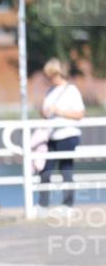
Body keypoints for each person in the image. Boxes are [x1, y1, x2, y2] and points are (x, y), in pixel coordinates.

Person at [38, 58, 85, 209]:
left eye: (51, 76)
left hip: (67, 135)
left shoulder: (71, 90)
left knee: (66, 169)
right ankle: (43, 204)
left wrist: (59, 112)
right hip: (52, 135)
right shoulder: (50, 91)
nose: (49, 79)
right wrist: (44, 113)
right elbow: (45, 112)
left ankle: (68, 204)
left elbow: (80, 114)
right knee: (45, 170)